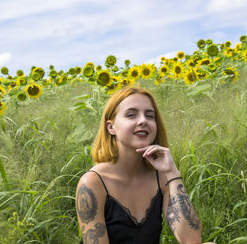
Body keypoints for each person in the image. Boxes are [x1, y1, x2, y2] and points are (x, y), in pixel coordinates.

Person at [76, 86, 215, 244]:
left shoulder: (160, 176)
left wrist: (172, 173)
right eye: (131, 115)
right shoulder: (93, 182)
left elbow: (191, 239)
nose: (143, 121)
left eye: (150, 116)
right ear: (111, 127)